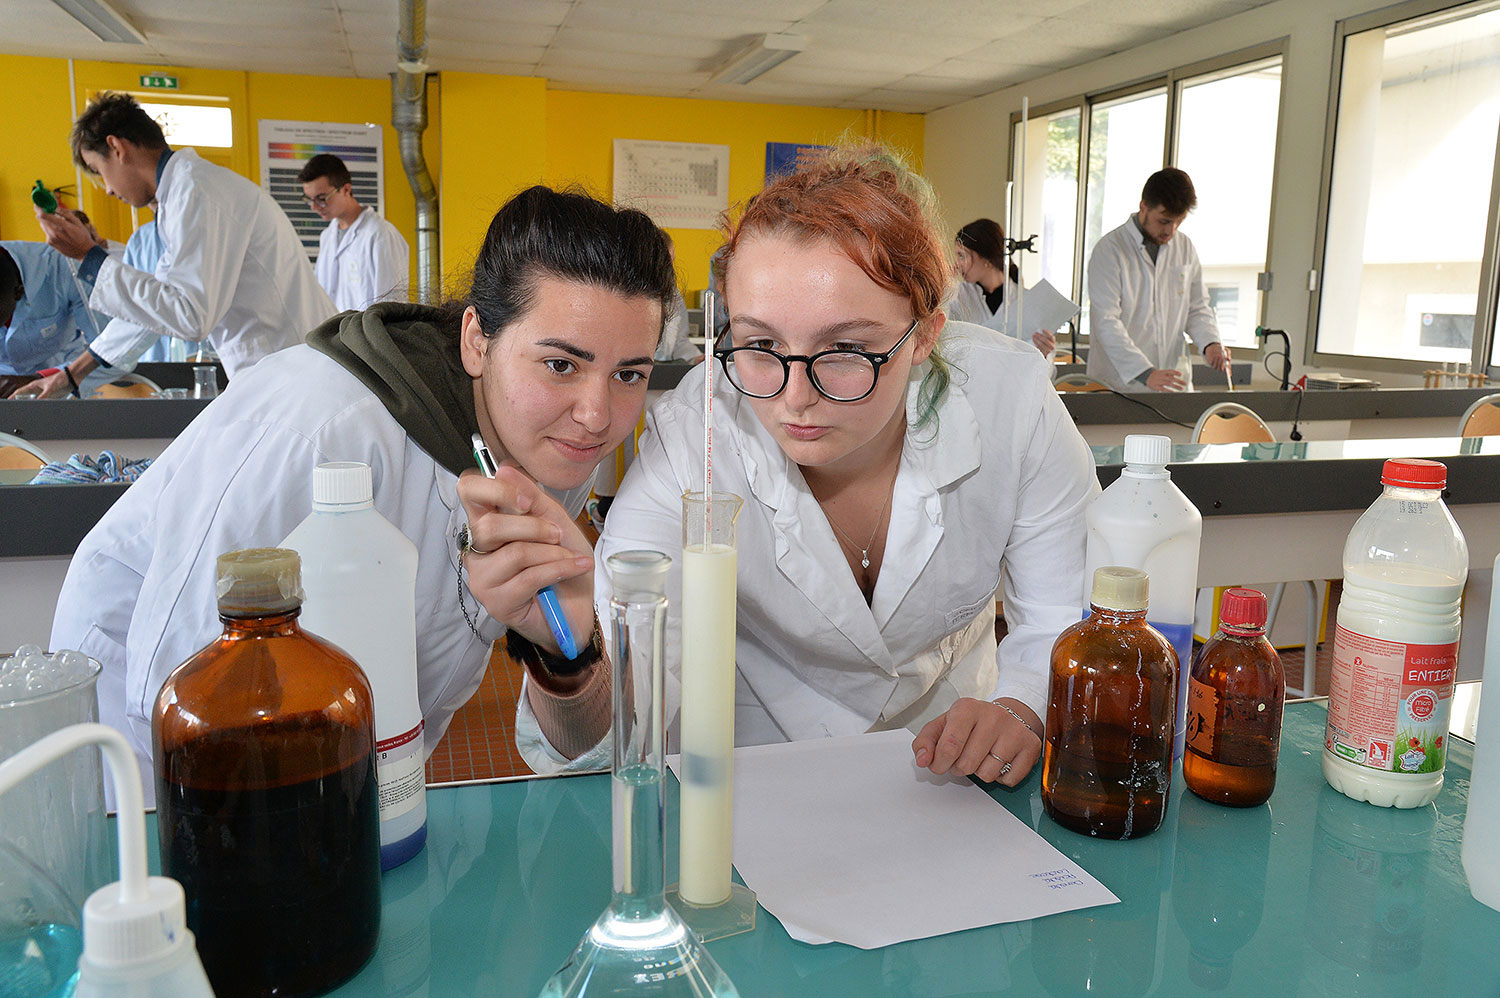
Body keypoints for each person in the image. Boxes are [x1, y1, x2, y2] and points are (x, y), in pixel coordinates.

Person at [49, 185, 676, 804]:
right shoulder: (319, 430)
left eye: (628, 374)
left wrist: (569, 655)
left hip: (357, 771)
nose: (597, 415)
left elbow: (574, 747)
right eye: (561, 365)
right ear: (476, 341)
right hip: (150, 763)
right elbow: (177, 690)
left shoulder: (552, 448)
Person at [516, 146, 1100, 787]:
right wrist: (573, 659)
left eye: (845, 348)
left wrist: (1021, 706)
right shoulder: (697, 432)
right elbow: (620, 713)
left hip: (951, 756)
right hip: (757, 764)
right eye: (761, 343)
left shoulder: (1012, 401)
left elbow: (1066, 612)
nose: (794, 396)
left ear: (925, 335)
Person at [23, 92, 333, 399]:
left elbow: (190, 315)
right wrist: (71, 375)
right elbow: (153, 311)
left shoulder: (196, 191)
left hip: (295, 371)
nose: (108, 190)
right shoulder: (181, 196)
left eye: (99, 171)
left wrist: (89, 257)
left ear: (116, 147)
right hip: (283, 370)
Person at [1085, 168, 1229, 392]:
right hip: (1118, 385)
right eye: (1163, 221)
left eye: (1178, 222)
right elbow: (1106, 321)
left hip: (1171, 382)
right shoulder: (1110, 250)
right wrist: (1144, 372)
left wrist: (1210, 343)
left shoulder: (1184, 248)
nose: (1170, 230)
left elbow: (1196, 308)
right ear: (1144, 207)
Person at [299, 153, 410, 312]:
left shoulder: (380, 235)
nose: (314, 207)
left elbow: (391, 306)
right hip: (333, 327)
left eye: (321, 198)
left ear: (346, 189)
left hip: (366, 329)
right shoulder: (327, 237)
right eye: (309, 199)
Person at [0, 240, 109, 396]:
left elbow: (108, 348)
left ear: (18, 292)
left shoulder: (65, 267)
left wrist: (44, 378)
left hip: (64, 375)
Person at [948, 218, 1056, 357]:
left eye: (962, 256)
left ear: (986, 257)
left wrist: (1045, 353)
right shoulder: (956, 296)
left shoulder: (1025, 301)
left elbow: (1042, 364)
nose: (957, 264)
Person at [655, 231, 703, 364]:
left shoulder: (674, 296)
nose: (670, 269)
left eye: (672, 261)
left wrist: (697, 358)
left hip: (664, 369)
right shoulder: (629, 294)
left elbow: (680, 342)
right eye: (665, 261)